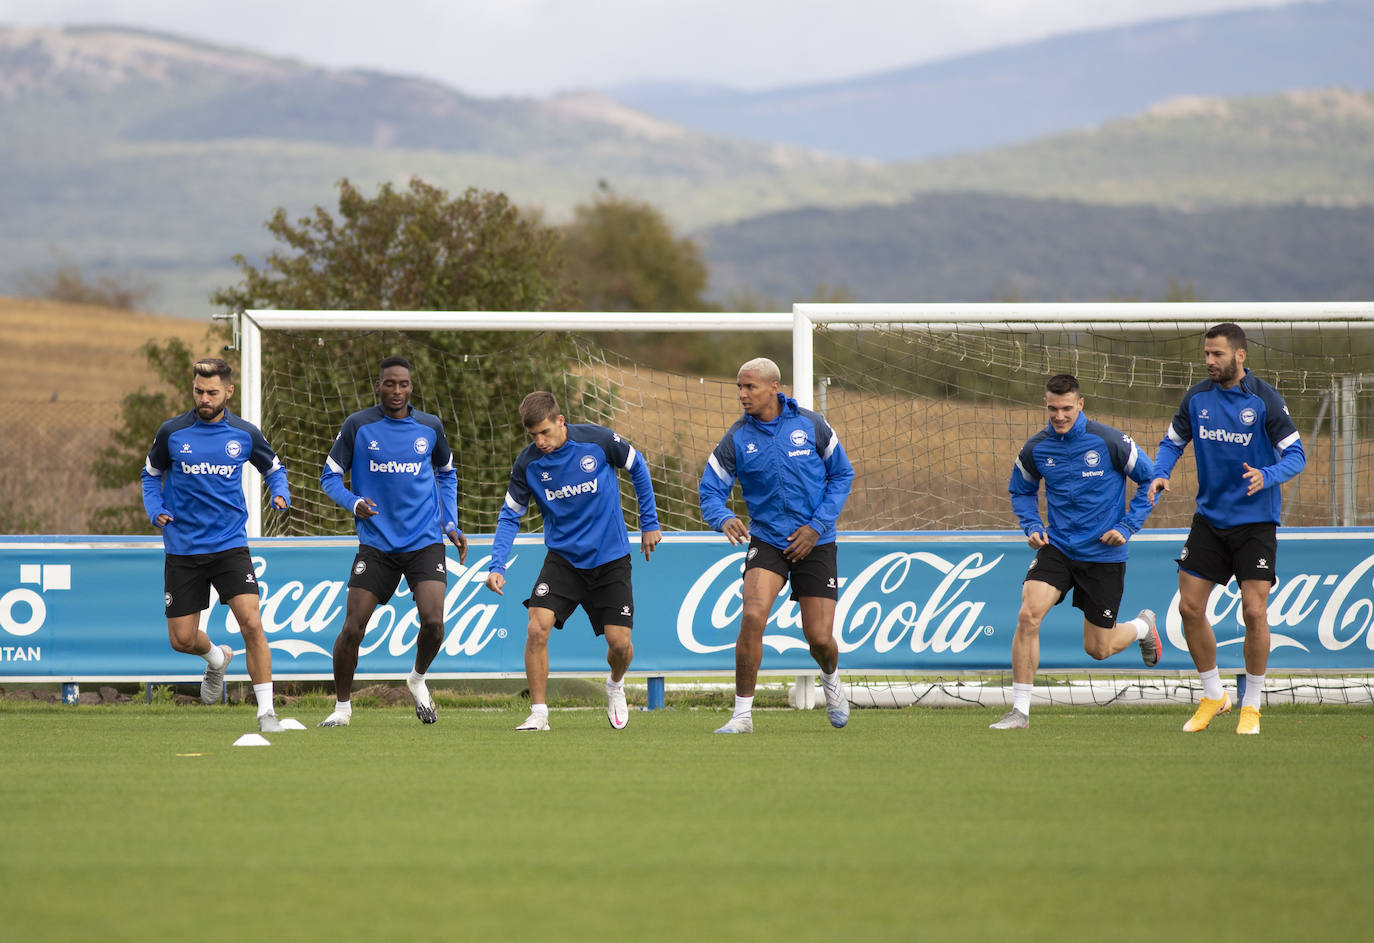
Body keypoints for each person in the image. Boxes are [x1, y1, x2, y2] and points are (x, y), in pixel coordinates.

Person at [1148, 323, 1306, 735]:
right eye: (1206, 354)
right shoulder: (1197, 397)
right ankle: (1214, 694)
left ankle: (1251, 704)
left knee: (1254, 611)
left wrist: (1267, 475)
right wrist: (1161, 472)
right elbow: (1172, 441)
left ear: (1240, 355)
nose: (1209, 362)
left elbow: (1297, 456)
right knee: (1189, 608)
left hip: (1255, 523)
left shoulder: (1264, 400)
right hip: (1210, 520)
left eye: (1217, 354)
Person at [991, 373, 1162, 730]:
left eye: (1067, 408)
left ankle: (1142, 626)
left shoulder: (1110, 441)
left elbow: (1152, 480)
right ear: (1045, 405)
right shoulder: (1036, 448)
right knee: (1028, 615)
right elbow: (1020, 490)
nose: (1059, 416)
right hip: (1058, 548)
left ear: (1080, 404)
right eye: (1053, 408)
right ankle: (1019, 711)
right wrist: (1032, 526)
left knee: (1098, 649)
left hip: (1103, 554)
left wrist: (1128, 527)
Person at [483, 391, 661, 732]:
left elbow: (637, 466)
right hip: (563, 559)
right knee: (537, 628)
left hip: (610, 558)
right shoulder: (528, 464)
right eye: (533, 435)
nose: (540, 441)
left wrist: (649, 522)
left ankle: (615, 685)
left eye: (545, 432)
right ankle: (538, 713)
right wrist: (497, 565)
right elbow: (510, 516)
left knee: (620, 644)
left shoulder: (598, 440)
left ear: (560, 421)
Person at [699, 357, 855, 734]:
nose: (742, 394)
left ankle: (831, 680)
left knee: (819, 639)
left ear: (773, 388)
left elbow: (842, 474)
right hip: (767, 539)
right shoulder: (736, 437)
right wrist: (722, 517)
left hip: (816, 541)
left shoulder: (811, 424)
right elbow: (709, 491)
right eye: (739, 387)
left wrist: (816, 527)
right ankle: (741, 716)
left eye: (749, 387)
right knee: (753, 615)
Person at [141, 357, 292, 733]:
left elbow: (274, 468)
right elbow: (150, 475)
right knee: (182, 639)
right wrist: (155, 509)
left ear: (228, 391)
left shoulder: (244, 433)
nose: (203, 398)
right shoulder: (172, 432)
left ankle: (266, 713)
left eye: (211, 392)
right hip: (183, 549)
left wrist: (280, 493)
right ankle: (215, 658)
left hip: (229, 546)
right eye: (198, 391)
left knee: (252, 623)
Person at [317, 356, 468, 727]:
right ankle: (341, 709)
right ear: (378, 385)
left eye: (403, 384)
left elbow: (447, 475)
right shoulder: (359, 426)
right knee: (353, 627)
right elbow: (329, 477)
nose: (396, 390)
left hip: (424, 541)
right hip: (377, 545)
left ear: (411, 387)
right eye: (389, 384)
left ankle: (416, 679)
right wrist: (353, 502)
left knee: (433, 622)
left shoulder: (430, 427)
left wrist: (450, 522)